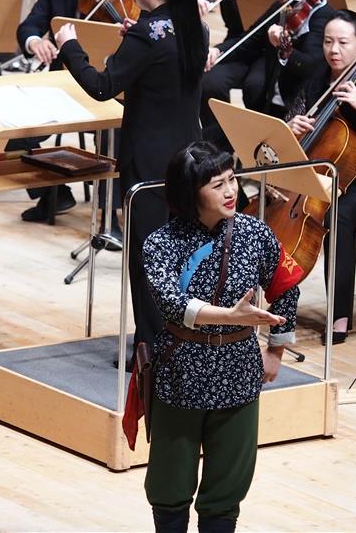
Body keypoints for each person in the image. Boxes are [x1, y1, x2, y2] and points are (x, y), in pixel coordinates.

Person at [54, 0, 207, 360]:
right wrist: (135, 40)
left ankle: (151, 348)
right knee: (182, 254)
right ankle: (182, 337)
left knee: (148, 258)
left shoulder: (146, 34)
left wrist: (70, 46)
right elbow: (162, 75)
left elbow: (102, 86)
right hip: (187, 156)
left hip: (150, 161)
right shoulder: (192, 27)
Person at [141, 141, 299, 533]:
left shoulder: (255, 233)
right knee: (169, 482)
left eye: (232, 180)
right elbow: (173, 304)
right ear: (190, 193)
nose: (230, 191)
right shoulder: (161, 243)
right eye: (217, 185)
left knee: (228, 485)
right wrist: (230, 316)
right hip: (181, 370)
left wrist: (277, 349)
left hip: (239, 368)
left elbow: (286, 286)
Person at [284, 10, 356, 345]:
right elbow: (289, 127)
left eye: (343, 43)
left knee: (339, 217)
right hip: (321, 177)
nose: (333, 50)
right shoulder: (317, 81)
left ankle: (339, 315)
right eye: (328, 41)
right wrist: (291, 127)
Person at [11, 0, 116, 223]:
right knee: (14, 130)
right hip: (64, 84)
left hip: (110, 85)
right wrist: (35, 42)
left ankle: (109, 214)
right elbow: (30, 24)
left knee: (116, 134)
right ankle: (54, 194)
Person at [200, 0, 334, 152]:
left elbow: (310, 67)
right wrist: (219, 50)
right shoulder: (283, 6)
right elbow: (250, 39)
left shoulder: (322, 17)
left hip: (296, 108)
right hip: (269, 98)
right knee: (209, 128)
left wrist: (284, 48)